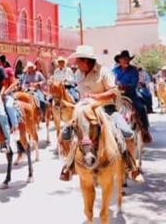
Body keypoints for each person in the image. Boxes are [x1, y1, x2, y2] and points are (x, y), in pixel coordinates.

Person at [60, 45, 142, 181]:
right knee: (65, 134)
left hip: (106, 109)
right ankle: (70, 165)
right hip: (84, 111)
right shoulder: (78, 73)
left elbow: (113, 91)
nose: (76, 64)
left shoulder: (104, 72)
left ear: (86, 61)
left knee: (127, 133)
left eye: (78, 61)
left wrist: (95, 97)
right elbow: (79, 93)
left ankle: (131, 166)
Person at [113, 50, 152, 143]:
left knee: (141, 108)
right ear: (119, 60)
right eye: (124, 59)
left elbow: (134, 84)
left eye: (127, 59)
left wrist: (123, 86)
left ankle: (145, 130)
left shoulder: (133, 70)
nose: (126, 61)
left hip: (130, 94)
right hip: (116, 95)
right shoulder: (114, 71)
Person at [0, 55, 20, 133]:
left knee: (8, 106)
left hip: (8, 94)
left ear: (3, 63)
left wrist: (5, 93)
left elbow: (14, 83)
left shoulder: (8, 70)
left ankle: (15, 126)